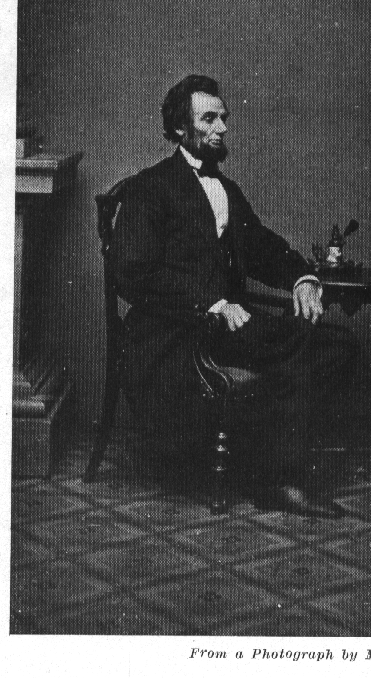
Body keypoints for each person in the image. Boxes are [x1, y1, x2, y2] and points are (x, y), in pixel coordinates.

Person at [110, 75, 356, 516]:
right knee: (302, 348)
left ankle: (268, 467)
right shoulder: (149, 188)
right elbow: (134, 273)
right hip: (172, 338)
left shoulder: (226, 189)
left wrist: (302, 277)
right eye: (209, 118)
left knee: (336, 345)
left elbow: (262, 247)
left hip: (228, 328)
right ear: (180, 128)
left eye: (223, 117)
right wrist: (210, 303)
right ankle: (278, 480)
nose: (222, 127)